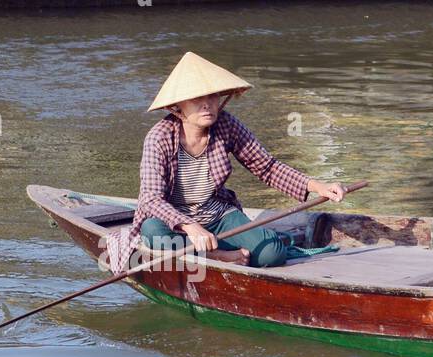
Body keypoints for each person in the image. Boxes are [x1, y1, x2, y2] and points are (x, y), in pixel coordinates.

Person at [120, 52, 346, 270]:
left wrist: (318, 186)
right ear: (178, 107)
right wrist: (190, 227)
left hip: (218, 216)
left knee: (273, 253)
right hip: (175, 224)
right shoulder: (159, 137)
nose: (207, 104)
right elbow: (150, 199)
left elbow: (267, 167)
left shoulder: (226, 125)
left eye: (212, 96)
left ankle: (212, 249)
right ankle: (217, 255)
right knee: (153, 232)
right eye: (197, 98)